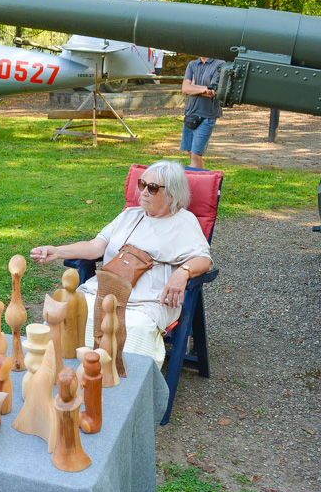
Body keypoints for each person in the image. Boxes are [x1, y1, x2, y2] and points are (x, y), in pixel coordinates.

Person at [30, 160, 212, 370]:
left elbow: (203, 259)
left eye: (152, 188)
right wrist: (57, 251)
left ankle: (128, 388)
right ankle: (59, 372)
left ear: (172, 195)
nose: (143, 192)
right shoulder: (130, 215)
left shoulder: (184, 222)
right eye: (142, 184)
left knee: (135, 329)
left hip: (147, 301)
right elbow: (95, 247)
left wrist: (184, 272)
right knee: (66, 311)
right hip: (104, 291)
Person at [180, 57, 224, 170]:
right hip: (191, 112)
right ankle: (203, 180)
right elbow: (185, 88)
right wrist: (203, 89)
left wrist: (193, 86)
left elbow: (212, 92)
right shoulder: (192, 64)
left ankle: (195, 183)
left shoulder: (219, 64)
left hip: (207, 114)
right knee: (190, 152)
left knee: (196, 155)